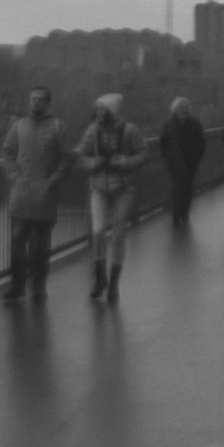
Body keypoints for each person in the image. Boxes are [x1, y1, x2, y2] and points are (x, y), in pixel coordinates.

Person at [1, 85, 75, 304]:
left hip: (45, 192)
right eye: (33, 99)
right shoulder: (19, 125)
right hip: (21, 192)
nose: (36, 103)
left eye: (41, 99)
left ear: (48, 103)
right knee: (17, 240)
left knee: (41, 245)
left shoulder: (58, 127)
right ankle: (17, 285)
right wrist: (15, 177)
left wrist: (53, 180)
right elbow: (7, 152)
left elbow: (68, 157)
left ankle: (38, 286)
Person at [77, 93, 148, 303]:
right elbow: (83, 153)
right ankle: (100, 278)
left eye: (102, 110)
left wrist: (125, 161)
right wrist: (91, 163)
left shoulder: (130, 131)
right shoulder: (92, 130)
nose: (98, 114)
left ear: (113, 112)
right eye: (97, 110)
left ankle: (114, 283)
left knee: (118, 235)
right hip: (98, 186)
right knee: (98, 231)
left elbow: (144, 153)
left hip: (123, 188)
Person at [159, 96, 207, 227]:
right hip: (175, 163)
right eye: (181, 108)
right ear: (175, 109)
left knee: (188, 188)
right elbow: (163, 142)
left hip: (191, 162)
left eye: (186, 107)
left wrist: (197, 156)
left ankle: (184, 211)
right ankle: (176, 215)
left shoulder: (195, 122)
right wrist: (168, 158)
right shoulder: (169, 124)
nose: (184, 110)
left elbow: (202, 140)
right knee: (178, 188)